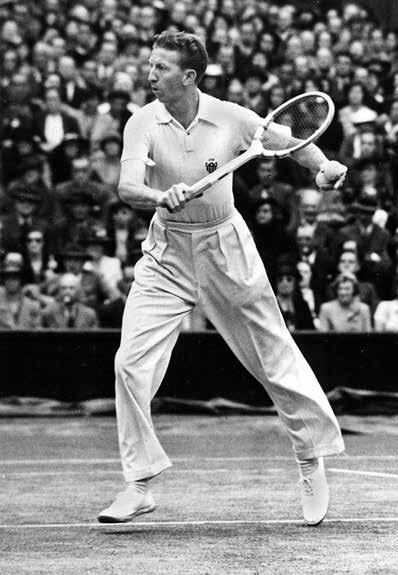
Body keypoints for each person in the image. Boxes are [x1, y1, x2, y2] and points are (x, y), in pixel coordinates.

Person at [98, 31, 346, 527]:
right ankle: (139, 484)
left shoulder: (232, 117)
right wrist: (159, 197)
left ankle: (310, 460)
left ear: (189, 76)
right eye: (150, 65)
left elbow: (292, 145)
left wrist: (323, 167)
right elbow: (127, 186)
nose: (150, 74)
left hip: (226, 249)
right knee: (130, 363)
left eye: (161, 67)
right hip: (167, 252)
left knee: (274, 356)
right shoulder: (141, 122)